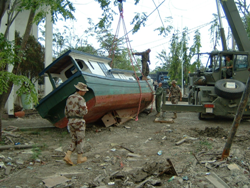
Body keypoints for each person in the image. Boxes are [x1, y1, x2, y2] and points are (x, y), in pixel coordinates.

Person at [63, 82, 89, 165]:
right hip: (79, 121)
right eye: (84, 91)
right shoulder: (81, 99)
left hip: (70, 121)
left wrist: (70, 118)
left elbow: (65, 111)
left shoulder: (69, 98)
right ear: (81, 90)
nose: (85, 92)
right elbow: (83, 112)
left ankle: (68, 155)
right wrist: (86, 109)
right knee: (80, 139)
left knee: (73, 139)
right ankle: (79, 158)